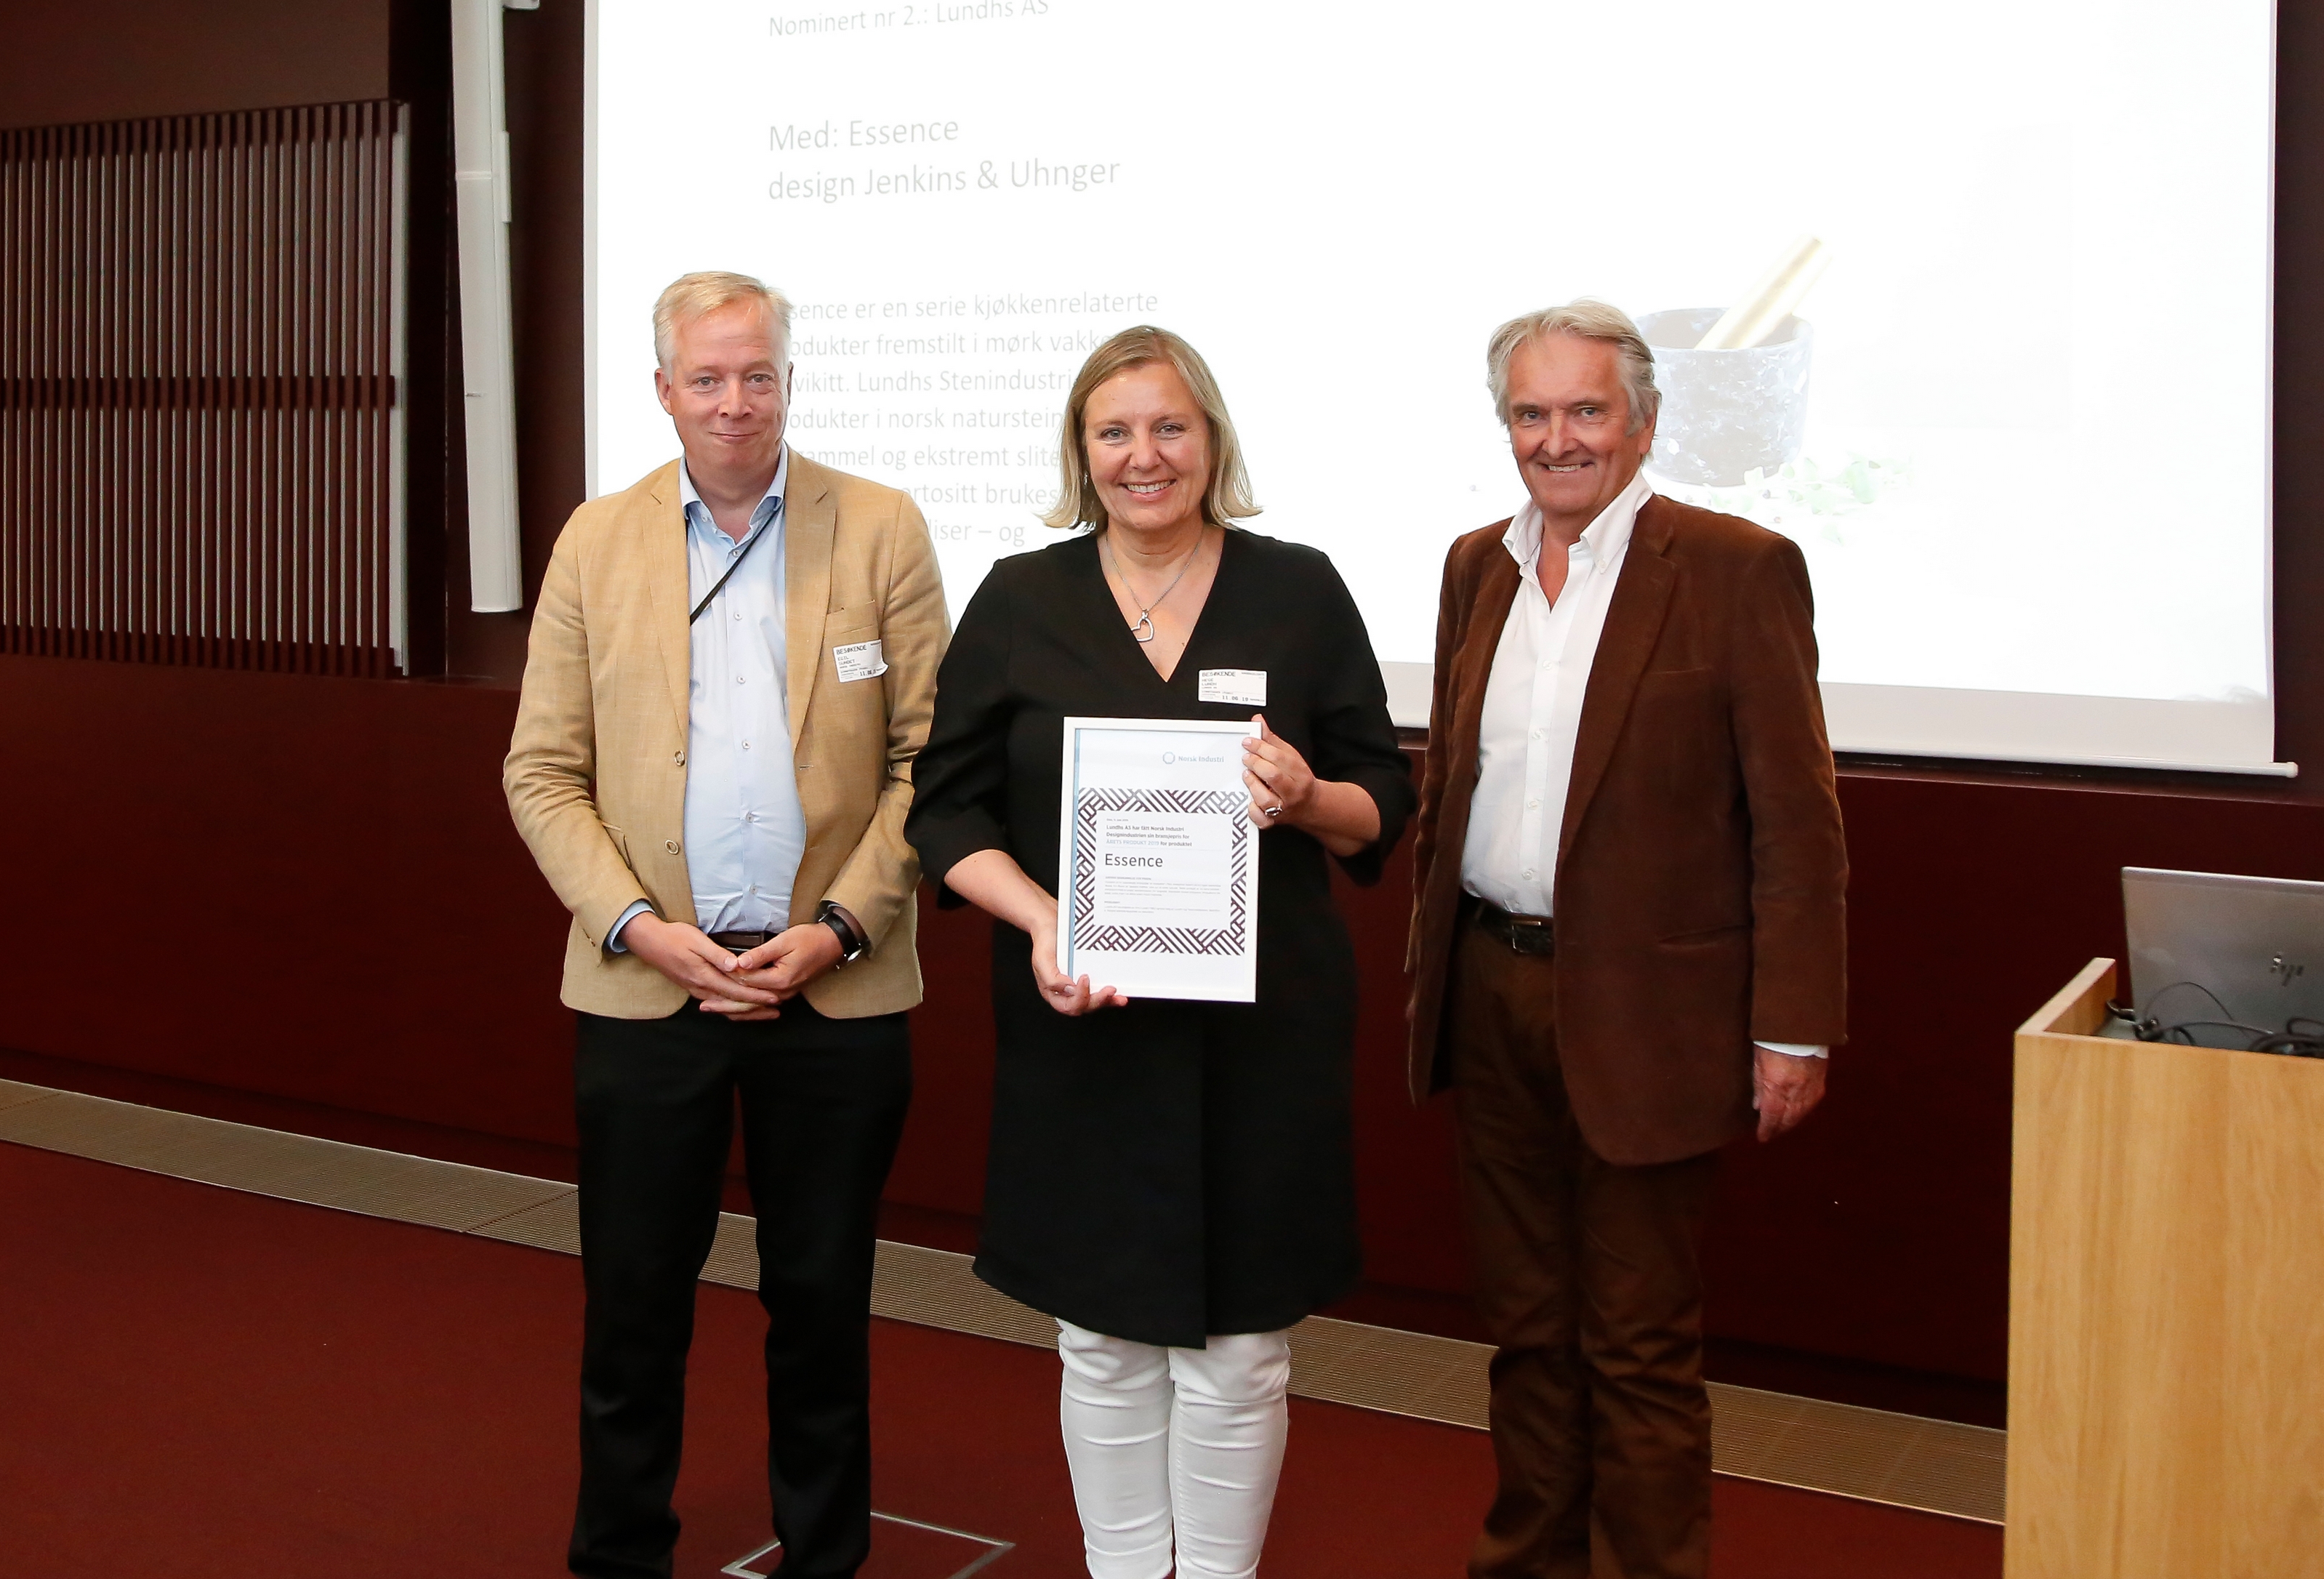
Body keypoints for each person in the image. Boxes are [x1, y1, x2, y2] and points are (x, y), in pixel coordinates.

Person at [905, 326, 1413, 1579]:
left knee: (1241, 1353)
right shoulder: (1020, 597)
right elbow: (945, 813)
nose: (1145, 456)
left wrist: (1307, 796)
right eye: (1115, 431)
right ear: (1080, 453)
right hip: (1085, 1024)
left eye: (1170, 426)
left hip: (1262, 1037)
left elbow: (1381, 805)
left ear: (1212, 439)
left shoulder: (1298, 589)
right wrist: (1043, 920)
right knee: (1102, 1342)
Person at [503, 270, 948, 1579]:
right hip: (652, 987)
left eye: (757, 374)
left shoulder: (880, 528)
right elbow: (541, 772)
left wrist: (839, 927)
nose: (734, 401)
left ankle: (823, 1559)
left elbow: (931, 764)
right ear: (663, 391)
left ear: (789, 382)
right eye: (707, 377)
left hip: (833, 988)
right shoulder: (596, 540)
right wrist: (639, 925)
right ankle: (619, 1557)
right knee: (632, 1308)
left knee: (821, 1305)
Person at [1404, 300, 1847, 1579]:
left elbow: (1795, 822)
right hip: (1491, 989)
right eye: (1531, 414)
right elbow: (1452, 783)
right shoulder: (1473, 568)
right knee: (1526, 1332)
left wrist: (1792, 1027)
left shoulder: (1734, 567)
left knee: (1639, 1348)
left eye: (1586, 410)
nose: (1558, 439)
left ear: (1644, 423)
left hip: (1650, 1018)